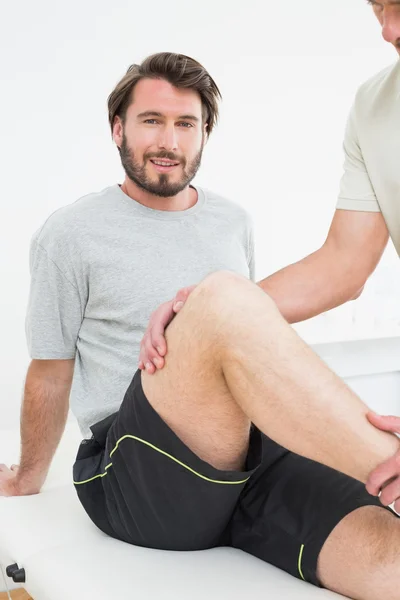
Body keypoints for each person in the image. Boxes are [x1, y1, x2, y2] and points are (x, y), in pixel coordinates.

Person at [0, 49, 399, 600]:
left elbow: (254, 348)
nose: (169, 141)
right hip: (138, 468)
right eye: (151, 121)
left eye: (186, 124)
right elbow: (49, 369)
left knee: (390, 555)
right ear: (118, 129)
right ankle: (391, 461)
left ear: (205, 132)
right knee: (222, 299)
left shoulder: (232, 222)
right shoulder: (71, 234)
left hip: (248, 459)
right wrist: (26, 475)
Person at [141, 0, 400, 521]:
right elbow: (344, 263)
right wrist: (213, 310)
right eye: (377, 7)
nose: (388, 29)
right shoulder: (373, 106)